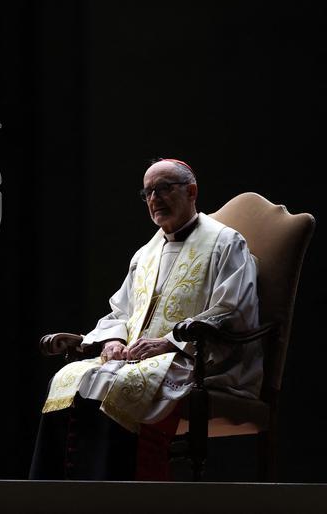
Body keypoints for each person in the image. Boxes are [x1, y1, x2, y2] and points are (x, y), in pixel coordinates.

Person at [29, 158, 261, 480]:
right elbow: (122, 311)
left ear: (191, 191)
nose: (154, 198)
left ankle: (123, 495)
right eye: (148, 192)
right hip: (139, 357)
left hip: (197, 360)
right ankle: (60, 496)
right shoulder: (145, 253)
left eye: (163, 188)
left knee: (118, 385)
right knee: (70, 379)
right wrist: (113, 339)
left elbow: (233, 310)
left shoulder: (226, 242)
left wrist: (168, 343)